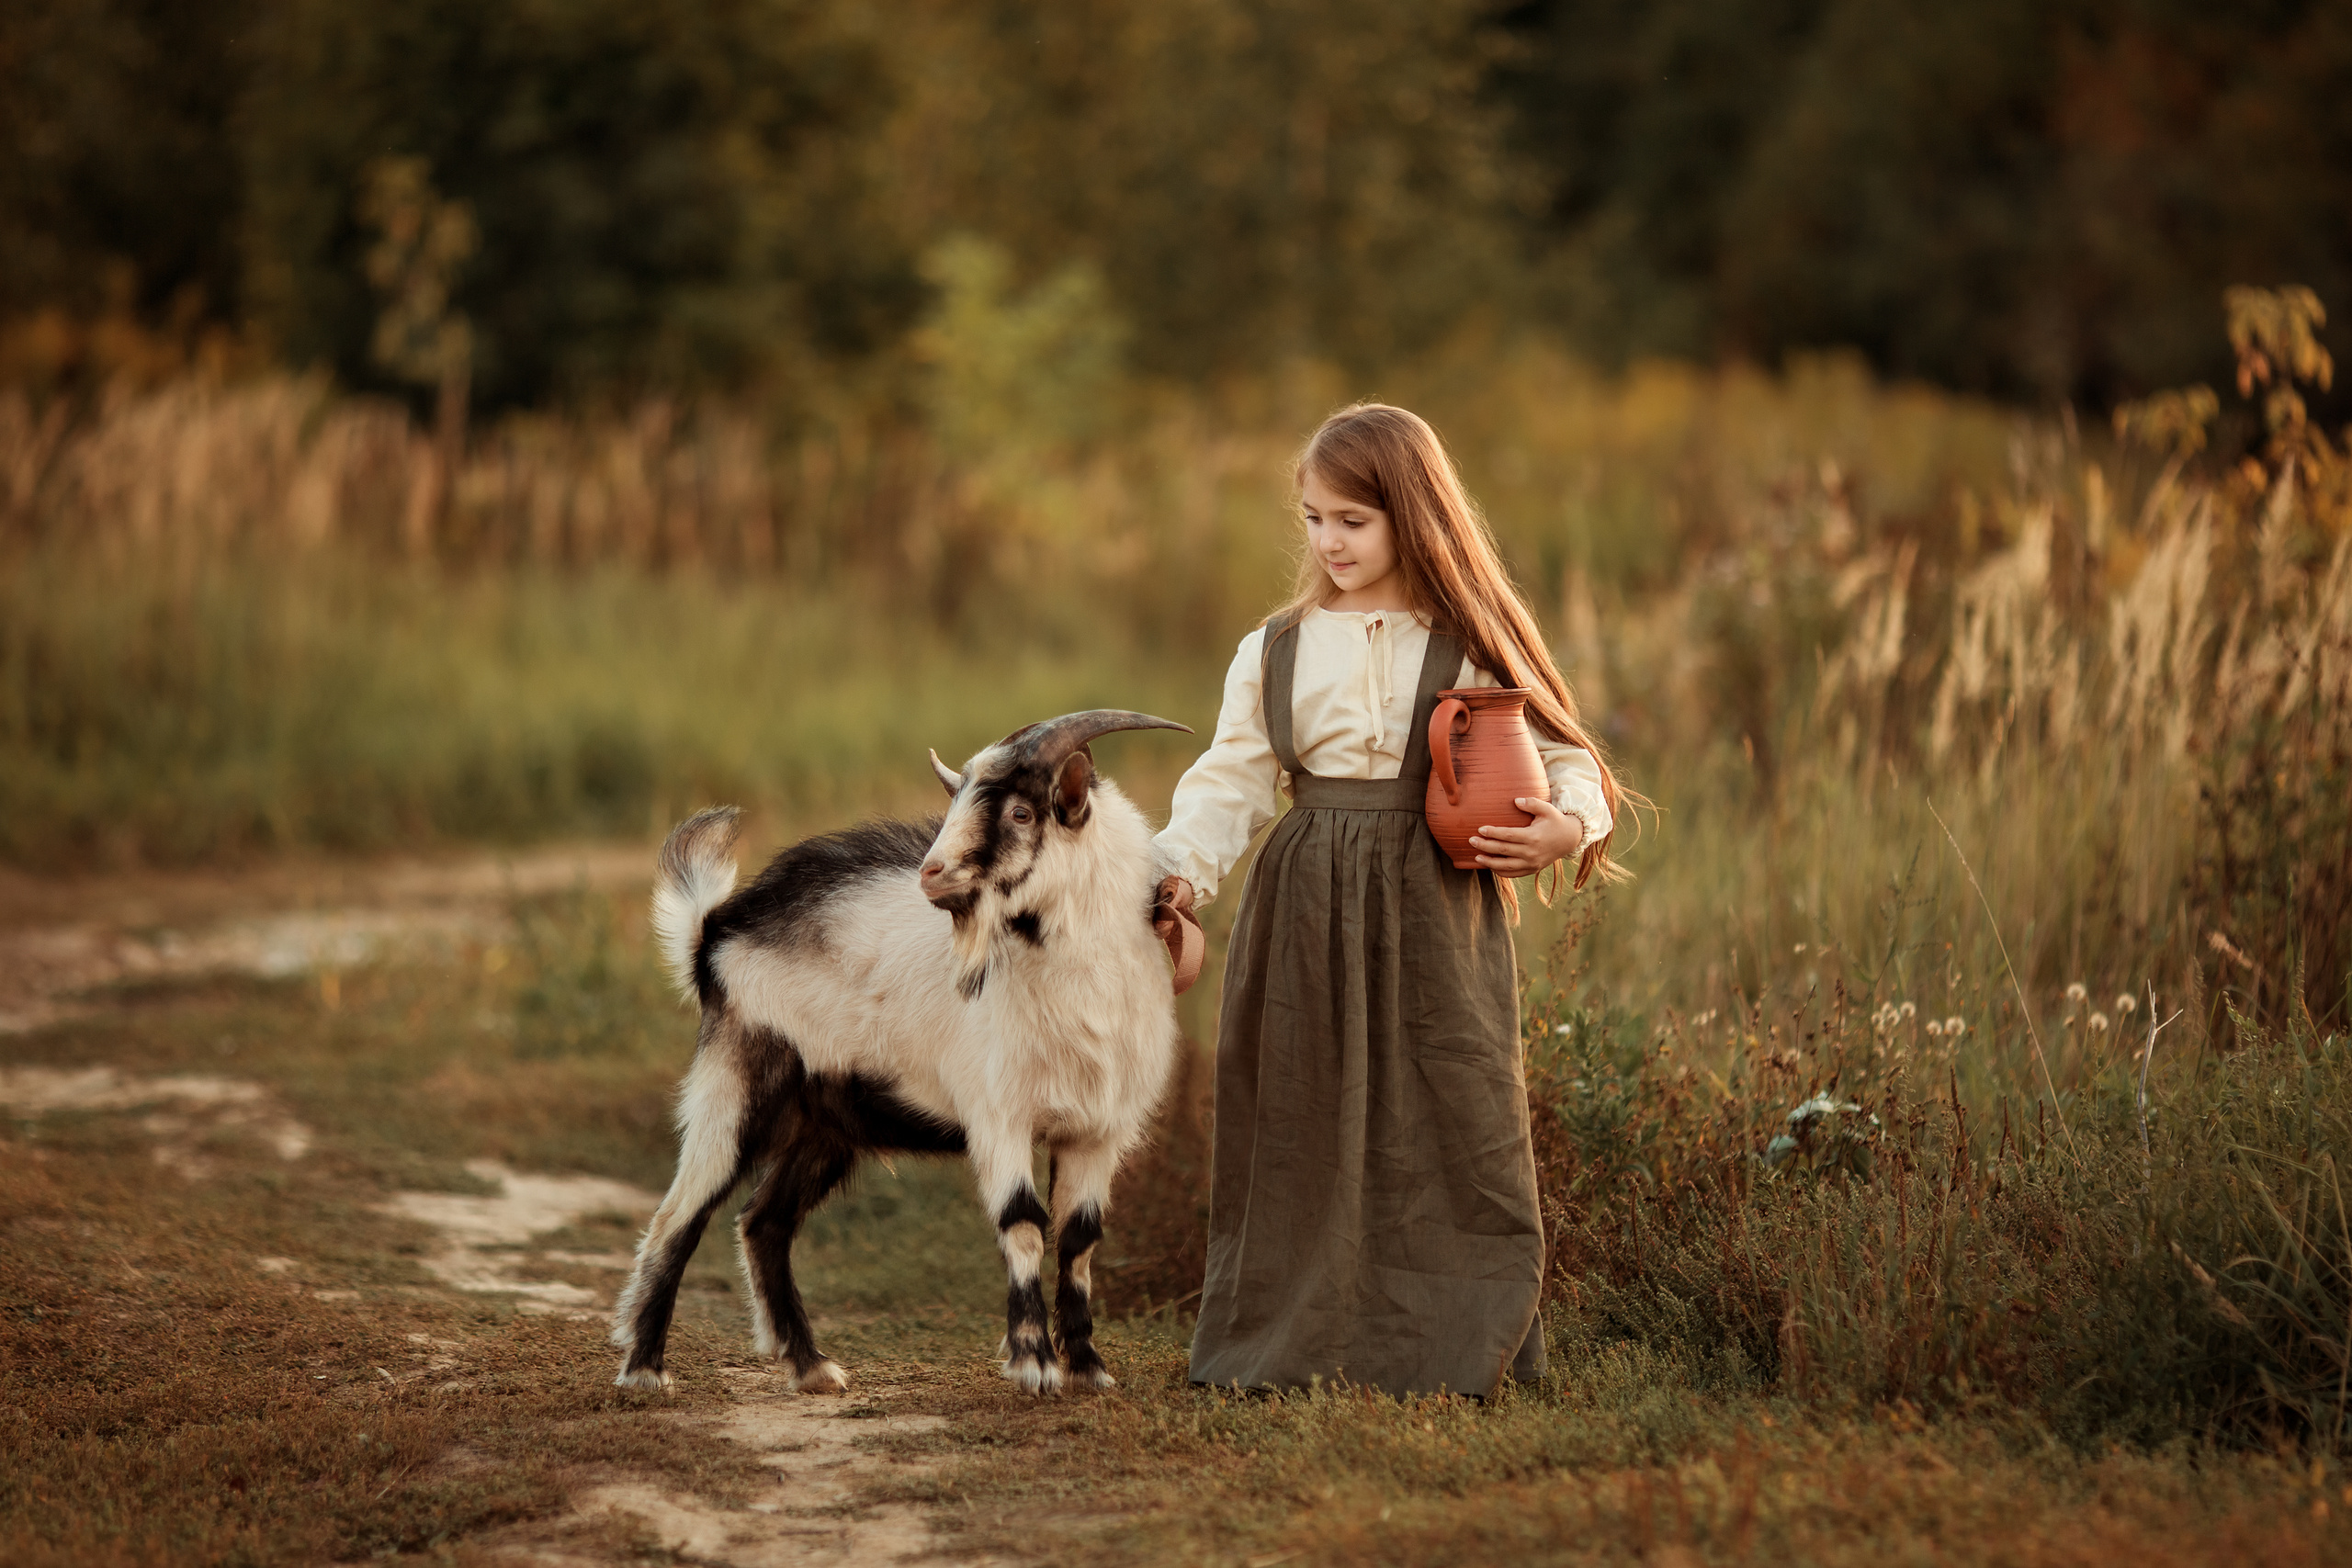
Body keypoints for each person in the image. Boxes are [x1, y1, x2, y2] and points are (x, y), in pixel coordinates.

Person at [1152, 402, 1630, 1399]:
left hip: (1435, 902)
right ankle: (1283, 1345)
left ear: (1411, 515)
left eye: (1352, 521)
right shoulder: (1273, 649)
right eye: (1314, 519)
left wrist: (1566, 826)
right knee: (1294, 1107)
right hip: (1304, 899)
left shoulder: (1468, 640)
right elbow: (1231, 782)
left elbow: (1562, 754)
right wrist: (1172, 877)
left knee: (1452, 1111)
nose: (1328, 541)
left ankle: (1450, 1347)